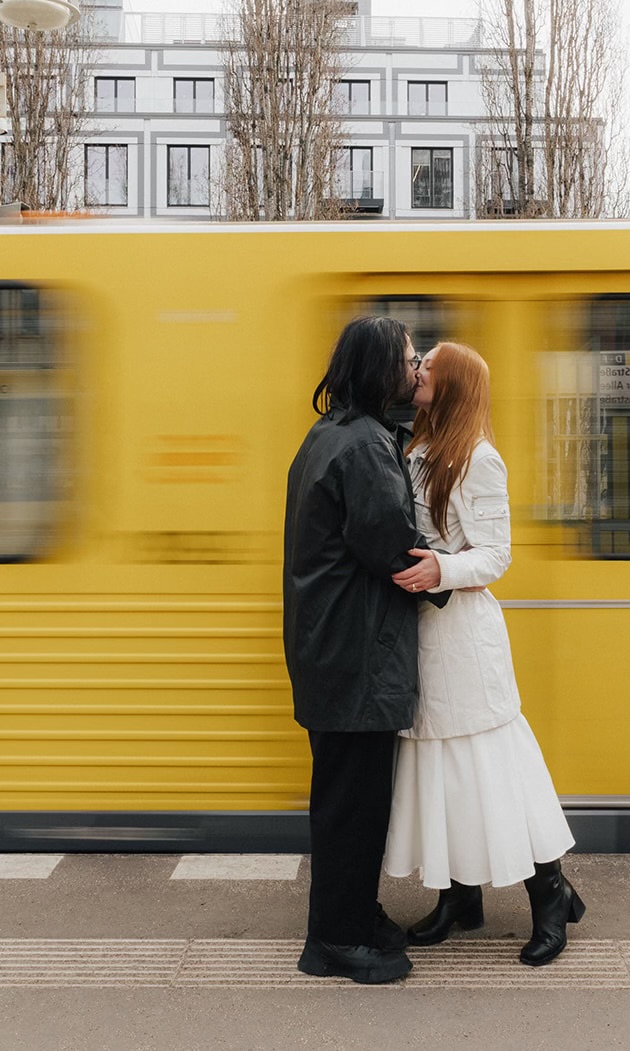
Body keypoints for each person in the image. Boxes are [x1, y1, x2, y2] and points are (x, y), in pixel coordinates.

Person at [383, 341, 585, 967]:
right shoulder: (416, 448)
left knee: (491, 772)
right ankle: (458, 898)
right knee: (441, 774)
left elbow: (497, 555)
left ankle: (552, 897)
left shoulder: (479, 458)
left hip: (464, 640)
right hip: (424, 634)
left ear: (454, 385)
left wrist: (438, 569)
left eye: (429, 367)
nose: (418, 372)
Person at [282, 315, 446, 985]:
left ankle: (351, 913)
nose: (416, 371)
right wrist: (452, 574)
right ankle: (335, 941)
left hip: (336, 650)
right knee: (354, 805)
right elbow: (390, 545)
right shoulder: (363, 449)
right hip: (356, 656)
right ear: (382, 369)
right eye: (409, 360)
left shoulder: (335, 435)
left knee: (345, 800)